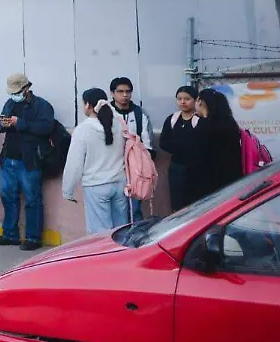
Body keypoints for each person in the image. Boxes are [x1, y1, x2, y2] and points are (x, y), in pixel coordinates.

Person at [0, 73, 54, 251]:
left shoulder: (41, 105)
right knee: (8, 197)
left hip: (29, 161)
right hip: (9, 159)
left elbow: (46, 127)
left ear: (26, 88)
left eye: (17, 91)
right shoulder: (10, 103)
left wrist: (20, 123)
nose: (14, 95)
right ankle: (9, 235)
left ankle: (33, 238)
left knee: (32, 200)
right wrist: (2, 124)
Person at [63, 88, 128, 234]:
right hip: (119, 183)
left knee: (100, 234)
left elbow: (74, 163)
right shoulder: (118, 124)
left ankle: (104, 257)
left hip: (96, 186)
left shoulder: (83, 129)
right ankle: (121, 256)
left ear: (87, 105)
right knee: (121, 231)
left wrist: (68, 191)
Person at [109, 77, 156, 220]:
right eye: (120, 91)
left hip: (136, 171)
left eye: (128, 91)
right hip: (113, 168)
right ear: (112, 93)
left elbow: (147, 143)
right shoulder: (107, 113)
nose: (125, 95)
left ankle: (136, 240)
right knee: (116, 211)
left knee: (135, 209)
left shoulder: (139, 114)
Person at [159, 86, 204, 210]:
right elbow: (164, 142)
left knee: (195, 204)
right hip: (177, 168)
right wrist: (182, 146)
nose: (183, 102)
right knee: (177, 204)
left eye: (187, 99)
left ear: (196, 100)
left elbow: (201, 144)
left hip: (196, 169)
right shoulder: (172, 119)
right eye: (179, 99)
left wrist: (183, 145)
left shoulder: (200, 120)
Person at [195, 89, 245, 196]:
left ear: (200, 102)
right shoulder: (229, 123)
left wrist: (203, 115)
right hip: (232, 177)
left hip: (211, 181)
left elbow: (198, 150)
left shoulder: (205, 125)